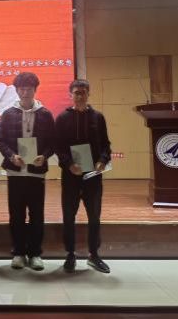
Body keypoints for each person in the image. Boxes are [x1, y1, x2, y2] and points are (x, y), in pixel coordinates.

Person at [0, 72, 55, 270]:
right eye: (21, 89)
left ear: (35, 90)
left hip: (36, 172)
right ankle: (19, 253)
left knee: (37, 214)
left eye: (29, 88)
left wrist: (44, 156)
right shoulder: (8, 114)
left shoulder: (45, 114)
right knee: (16, 214)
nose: (25, 92)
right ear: (16, 90)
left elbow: (52, 142)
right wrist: (12, 156)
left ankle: (35, 253)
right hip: (15, 172)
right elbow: (1, 141)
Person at [55, 79, 112, 274]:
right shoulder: (62, 118)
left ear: (89, 94)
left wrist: (103, 160)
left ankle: (94, 255)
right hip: (71, 175)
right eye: (76, 93)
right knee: (68, 216)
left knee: (94, 216)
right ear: (70, 94)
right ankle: (70, 254)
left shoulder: (98, 117)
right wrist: (69, 164)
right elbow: (58, 147)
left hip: (93, 176)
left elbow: (106, 145)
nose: (80, 96)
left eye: (83, 92)